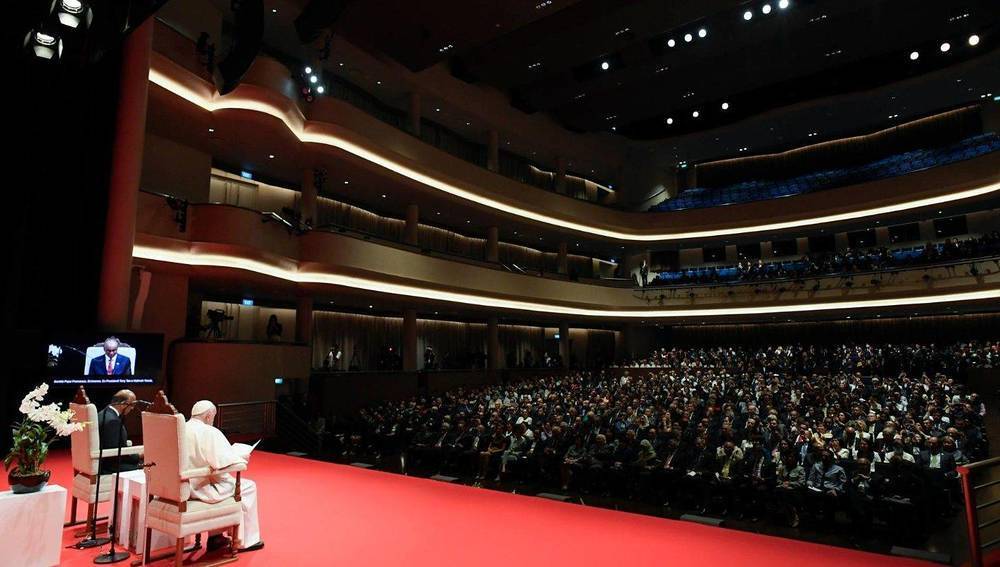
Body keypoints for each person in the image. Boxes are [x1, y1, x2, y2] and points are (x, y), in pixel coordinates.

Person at [186, 400, 264, 552]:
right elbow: (224, 462)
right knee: (248, 487)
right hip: (202, 488)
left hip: (183, 486)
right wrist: (242, 457)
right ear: (208, 416)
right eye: (213, 417)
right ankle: (244, 541)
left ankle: (216, 537)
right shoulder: (209, 432)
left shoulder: (181, 427)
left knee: (226, 483)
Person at [98, 390, 141, 472]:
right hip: (111, 466)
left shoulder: (103, 413)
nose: (132, 408)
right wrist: (138, 456)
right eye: (132, 405)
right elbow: (115, 452)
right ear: (123, 404)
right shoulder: (112, 421)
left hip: (106, 461)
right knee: (149, 466)